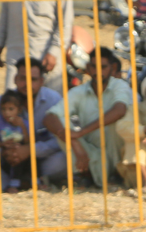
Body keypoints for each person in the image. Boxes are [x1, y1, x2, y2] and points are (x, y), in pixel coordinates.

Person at [0, 58, 65, 191]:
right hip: (5, 162)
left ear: (41, 82)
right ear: (15, 79)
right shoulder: (1, 102)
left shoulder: (53, 100)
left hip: (40, 161)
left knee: (64, 159)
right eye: (23, 78)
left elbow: (59, 141)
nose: (27, 84)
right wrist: (4, 153)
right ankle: (17, 184)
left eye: (33, 79)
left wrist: (30, 150)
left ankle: (24, 181)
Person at [44, 48, 134, 188]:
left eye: (103, 67)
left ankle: (115, 174)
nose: (98, 71)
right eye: (94, 67)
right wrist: (75, 143)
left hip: (116, 152)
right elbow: (49, 117)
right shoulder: (79, 91)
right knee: (61, 123)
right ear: (87, 68)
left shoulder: (119, 86)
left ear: (113, 67)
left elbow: (119, 110)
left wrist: (81, 132)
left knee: (117, 123)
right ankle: (86, 174)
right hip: (91, 153)